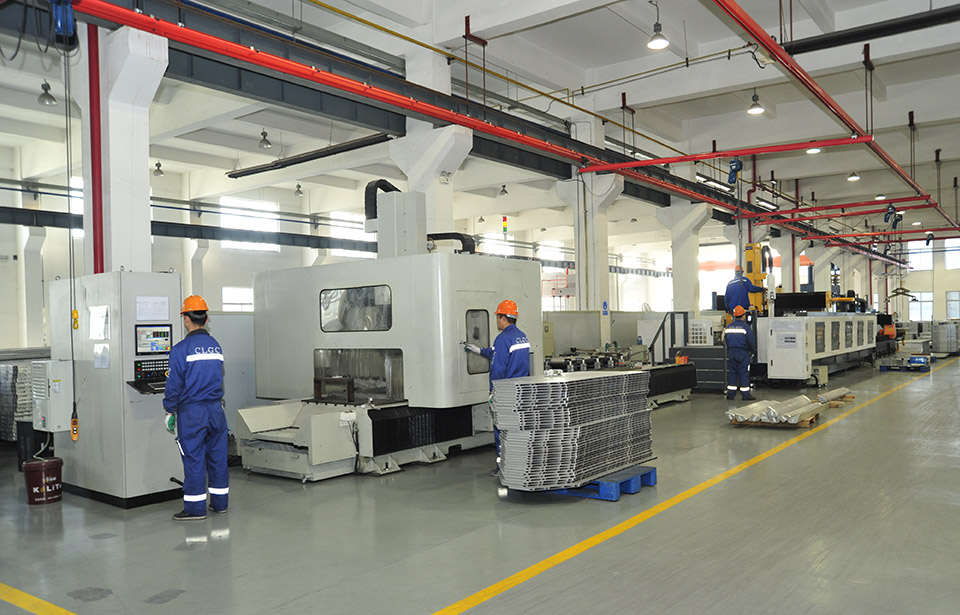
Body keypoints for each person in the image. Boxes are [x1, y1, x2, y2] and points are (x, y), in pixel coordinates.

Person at [163, 295, 229, 521]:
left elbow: (174, 385)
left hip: (193, 413)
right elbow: (218, 377)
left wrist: (169, 409)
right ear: (206, 318)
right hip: (216, 411)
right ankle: (220, 504)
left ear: (186, 319)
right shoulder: (216, 345)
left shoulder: (180, 350)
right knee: (218, 458)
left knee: (194, 459)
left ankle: (195, 509)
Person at [464, 299, 530, 476]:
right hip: (521, 389)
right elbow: (499, 353)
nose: (497, 321)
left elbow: (498, 367)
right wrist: (480, 351)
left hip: (505, 392)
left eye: (497, 317)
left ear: (503, 318)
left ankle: (504, 467)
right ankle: (520, 463)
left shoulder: (502, 338)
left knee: (501, 430)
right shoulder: (522, 336)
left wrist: (493, 391)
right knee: (517, 428)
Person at [724, 305, 756, 401]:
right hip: (743, 353)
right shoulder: (746, 327)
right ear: (743, 316)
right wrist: (752, 351)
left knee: (732, 373)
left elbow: (725, 340)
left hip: (732, 352)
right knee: (744, 373)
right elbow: (751, 341)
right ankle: (745, 395)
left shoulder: (729, 327)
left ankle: (731, 394)